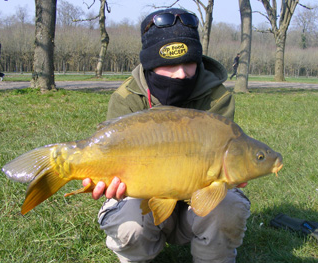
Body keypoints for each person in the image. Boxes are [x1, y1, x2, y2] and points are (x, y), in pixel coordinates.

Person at [83, 8, 251, 263]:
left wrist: (226, 177)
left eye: (189, 63)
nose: (181, 74)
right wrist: (109, 182)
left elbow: (215, 172)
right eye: (169, 65)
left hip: (194, 207)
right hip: (141, 200)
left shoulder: (218, 98)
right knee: (130, 227)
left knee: (227, 207)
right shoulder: (126, 99)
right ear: (150, 64)